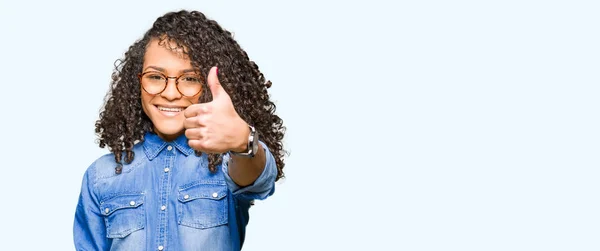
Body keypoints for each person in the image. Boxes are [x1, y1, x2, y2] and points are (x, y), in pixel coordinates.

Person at [73, 9, 286, 251]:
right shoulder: (101, 176)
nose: (171, 93)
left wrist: (243, 142)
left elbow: (259, 178)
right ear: (137, 82)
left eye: (189, 79)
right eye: (155, 77)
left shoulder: (229, 162)